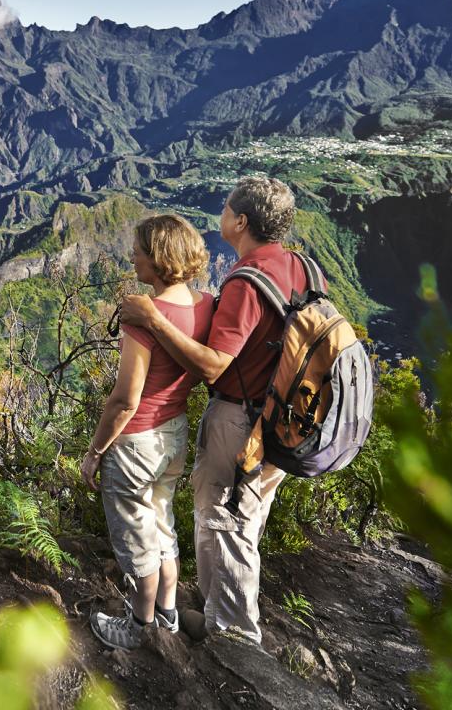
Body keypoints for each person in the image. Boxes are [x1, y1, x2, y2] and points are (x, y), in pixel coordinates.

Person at [117, 175, 316, 644]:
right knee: (246, 518)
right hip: (286, 416)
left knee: (225, 521)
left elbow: (212, 365)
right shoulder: (300, 266)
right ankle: (217, 616)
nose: (220, 214)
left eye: (226, 208)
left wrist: (153, 319)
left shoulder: (248, 281)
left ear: (240, 221)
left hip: (242, 418)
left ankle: (233, 636)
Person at [82, 214, 215, 651]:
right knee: (162, 525)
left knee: (137, 539)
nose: (132, 255)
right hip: (174, 433)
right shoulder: (204, 305)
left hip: (136, 441)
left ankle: (138, 627)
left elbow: (125, 399)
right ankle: (169, 613)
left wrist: (96, 450)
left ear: (158, 259)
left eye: (139, 249)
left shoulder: (144, 316)